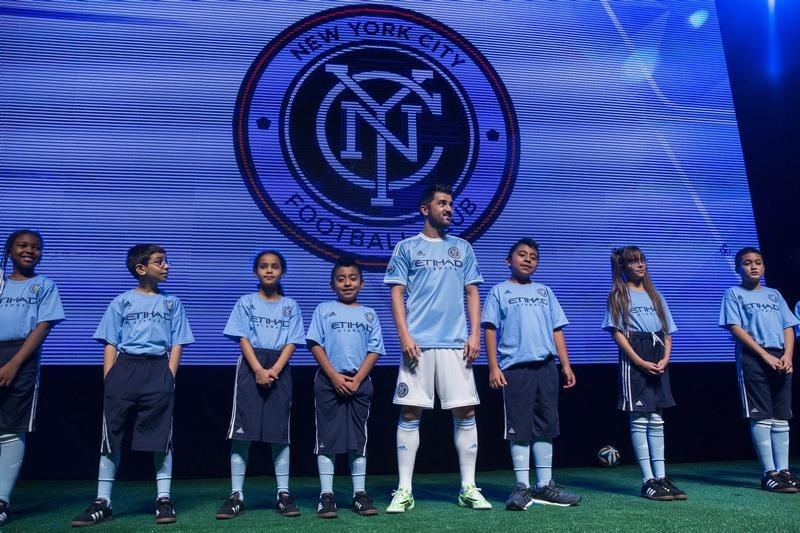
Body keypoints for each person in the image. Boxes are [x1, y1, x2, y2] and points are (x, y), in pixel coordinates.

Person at [384, 183, 491, 512]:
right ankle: (404, 490)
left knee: (466, 411)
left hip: (456, 345)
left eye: (451, 204)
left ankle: (468, 487)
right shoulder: (406, 248)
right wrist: (404, 335)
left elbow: (472, 292)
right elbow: (397, 294)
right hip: (418, 345)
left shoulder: (463, 248)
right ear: (424, 209)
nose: (449, 208)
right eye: (442, 203)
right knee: (411, 411)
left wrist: (474, 335)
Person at [71, 244, 194, 526]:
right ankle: (103, 500)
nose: (167, 266)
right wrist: (110, 377)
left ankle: (164, 499)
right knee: (110, 435)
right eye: (160, 262)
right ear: (141, 269)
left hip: (157, 370)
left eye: (166, 261)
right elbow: (111, 341)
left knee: (160, 437)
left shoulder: (172, 303)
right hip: (124, 370)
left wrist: (169, 376)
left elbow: (177, 342)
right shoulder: (121, 301)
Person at [481, 238, 580, 510]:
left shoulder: (545, 292)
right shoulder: (499, 291)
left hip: (546, 367)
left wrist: (566, 364)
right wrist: (493, 366)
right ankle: (522, 487)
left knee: (546, 426)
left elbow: (557, 329)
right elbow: (489, 329)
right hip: (515, 369)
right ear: (508, 261)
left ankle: (545, 486)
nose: (527, 259)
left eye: (533, 256)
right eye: (521, 255)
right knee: (520, 428)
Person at [215, 250, 305, 519]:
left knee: (280, 433)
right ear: (256, 271)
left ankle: (284, 493)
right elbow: (242, 337)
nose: (269, 270)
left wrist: (274, 369)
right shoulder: (245, 302)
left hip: (279, 367)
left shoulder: (291, 305)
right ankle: (236, 495)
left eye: (275, 266)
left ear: (282, 272)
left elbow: (292, 340)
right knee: (243, 432)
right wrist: (257, 369)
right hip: (251, 365)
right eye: (264, 266)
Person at [601, 246, 686, 501]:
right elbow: (617, 332)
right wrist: (638, 360)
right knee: (640, 417)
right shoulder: (619, 295)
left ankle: (661, 477)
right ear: (623, 267)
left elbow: (667, 331)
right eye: (633, 262)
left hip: (658, 353)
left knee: (657, 418)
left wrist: (665, 358)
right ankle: (648, 480)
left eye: (642, 260)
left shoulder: (656, 295)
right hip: (635, 357)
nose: (640, 265)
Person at [306, 256, 384, 518]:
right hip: (329, 382)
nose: (347, 283)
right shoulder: (323, 309)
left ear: (361, 283)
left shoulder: (369, 313)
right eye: (341, 279)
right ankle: (326, 496)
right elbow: (315, 344)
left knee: (357, 441)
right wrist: (334, 377)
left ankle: (359, 494)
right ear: (332, 284)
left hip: (359, 383)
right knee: (327, 439)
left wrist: (358, 378)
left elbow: (374, 349)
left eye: (352, 278)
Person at [719, 247, 800, 493]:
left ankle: (784, 470)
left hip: (780, 357)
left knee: (781, 415)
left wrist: (787, 355)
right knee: (761, 415)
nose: (753, 266)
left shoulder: (774, 294)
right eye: (746, 263)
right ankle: (769, 473)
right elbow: (735, 327)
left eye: (757, 262)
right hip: (754, 357)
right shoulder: (733, 293)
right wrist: (764, 354)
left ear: (764, 267)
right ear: (738, 268)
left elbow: (789, 325)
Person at [0, 230, 65, 526]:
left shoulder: (44, 285)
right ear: (9, 250)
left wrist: (14, 363)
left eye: (36, 247)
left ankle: (2, 501)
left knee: (11, 428)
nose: (29, 251)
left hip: (20, 358)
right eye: (22, 246)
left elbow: (42, 327)